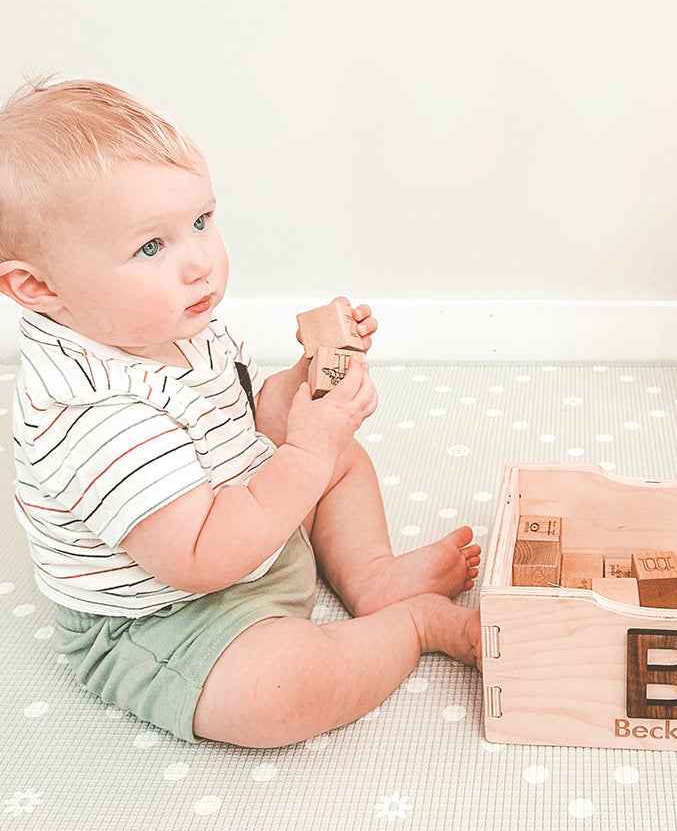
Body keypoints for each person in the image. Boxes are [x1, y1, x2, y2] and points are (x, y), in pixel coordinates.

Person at [0, 79, 482, 747]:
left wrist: (309, 385)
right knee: (278, 696)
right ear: (39, 287)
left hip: (249, 534)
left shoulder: (167, 325)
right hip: (170, 616)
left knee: (339, 457)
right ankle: (413, 625)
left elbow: (244, 424)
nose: (200, 263)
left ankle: (371, 577)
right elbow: (198, 558)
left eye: (200, 222)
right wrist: (305, 454)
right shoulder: (96, 416)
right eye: (150, 247)